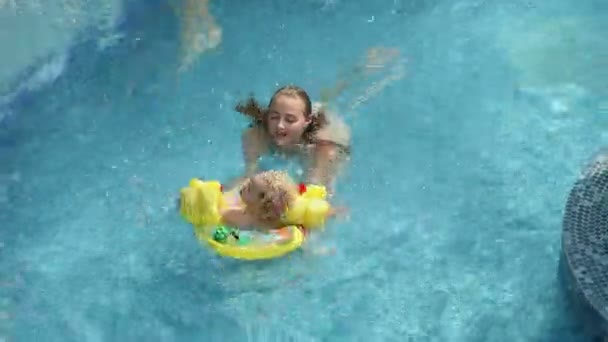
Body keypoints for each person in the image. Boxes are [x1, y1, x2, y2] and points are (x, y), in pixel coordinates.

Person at [234, 85, 351, 191]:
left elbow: (319, 191)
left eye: (289, 120)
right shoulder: (256, 134)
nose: (280, 125)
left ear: (307, 121)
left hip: (324, 128)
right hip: (299, 111)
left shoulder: (323, 146)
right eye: (274, 117)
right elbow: (249, 179)